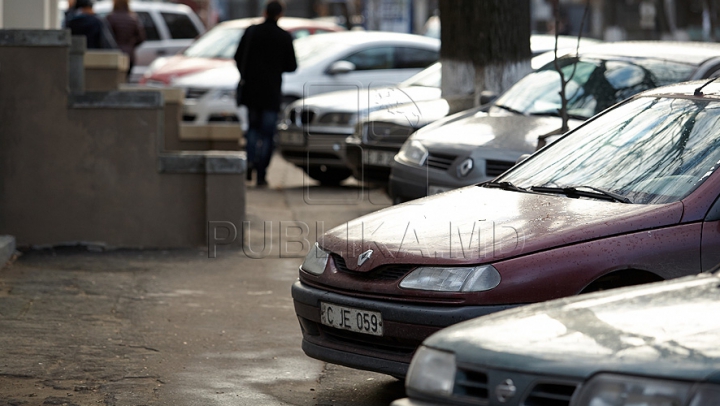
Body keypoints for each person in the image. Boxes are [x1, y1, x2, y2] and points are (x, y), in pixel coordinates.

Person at [234, 0, 297, 187]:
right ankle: (261, 174)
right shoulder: (283, 36)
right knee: (267, 135)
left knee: (252, 130)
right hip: (271, 92)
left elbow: (238, 57)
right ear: (280, 14)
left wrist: (248, 73)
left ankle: (249, 164)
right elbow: (291, 66)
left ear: (264, 12)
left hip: (251, 91)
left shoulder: (252, 32)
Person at [105, 0, 146, 80]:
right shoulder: (133, 18)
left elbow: (107, 37)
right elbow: (141, 38)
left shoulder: (110, 18)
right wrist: (131, 44)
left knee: (114, 80)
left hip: (115, 54)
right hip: (129, 54)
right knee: (126, 79)